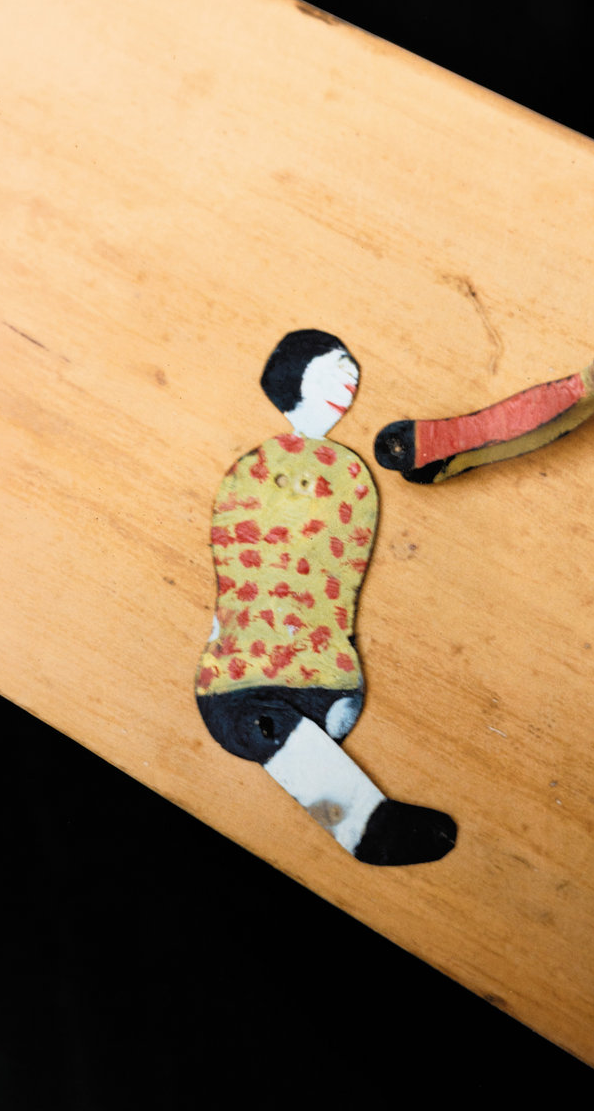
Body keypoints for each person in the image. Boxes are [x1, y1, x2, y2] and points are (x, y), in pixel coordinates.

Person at [195, 329, 457, 866]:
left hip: (323, 673)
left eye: (348, 370)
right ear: (294, 382)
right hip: (249, 675)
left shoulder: (347, 474)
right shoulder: (259, 472)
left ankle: (360, 820)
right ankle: (362, 824)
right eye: (333, 368)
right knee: (258, 721)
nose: (347, 379)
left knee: (261, 721)